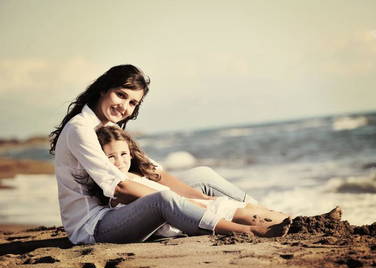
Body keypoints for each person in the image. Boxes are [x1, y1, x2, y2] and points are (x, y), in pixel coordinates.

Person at [49, 64, 292, 245]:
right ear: (103, 89)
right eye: (121, 95)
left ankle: (268, 215)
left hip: (119, 211)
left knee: (202, 175)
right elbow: (120, 189)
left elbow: (154, 174)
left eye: (133, 103)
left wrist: (204, 200)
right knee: (164, 200)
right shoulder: (80, 129)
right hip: (95, 226)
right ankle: (245, 231)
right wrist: (189, 203)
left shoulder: (109, 128)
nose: (124, 107)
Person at [81, 125, 293, 240]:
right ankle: (250, 231)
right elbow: (160, 200)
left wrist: (203, 198)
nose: (119, 161)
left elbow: (162, 179)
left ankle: (295, 219)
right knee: (244, 217)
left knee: (243, 207)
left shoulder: (135, 172)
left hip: (184, 207)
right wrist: (199, 204)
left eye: (123, 154)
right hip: (177, 217)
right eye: (111, 157)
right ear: (100, 159)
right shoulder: (113, 184)